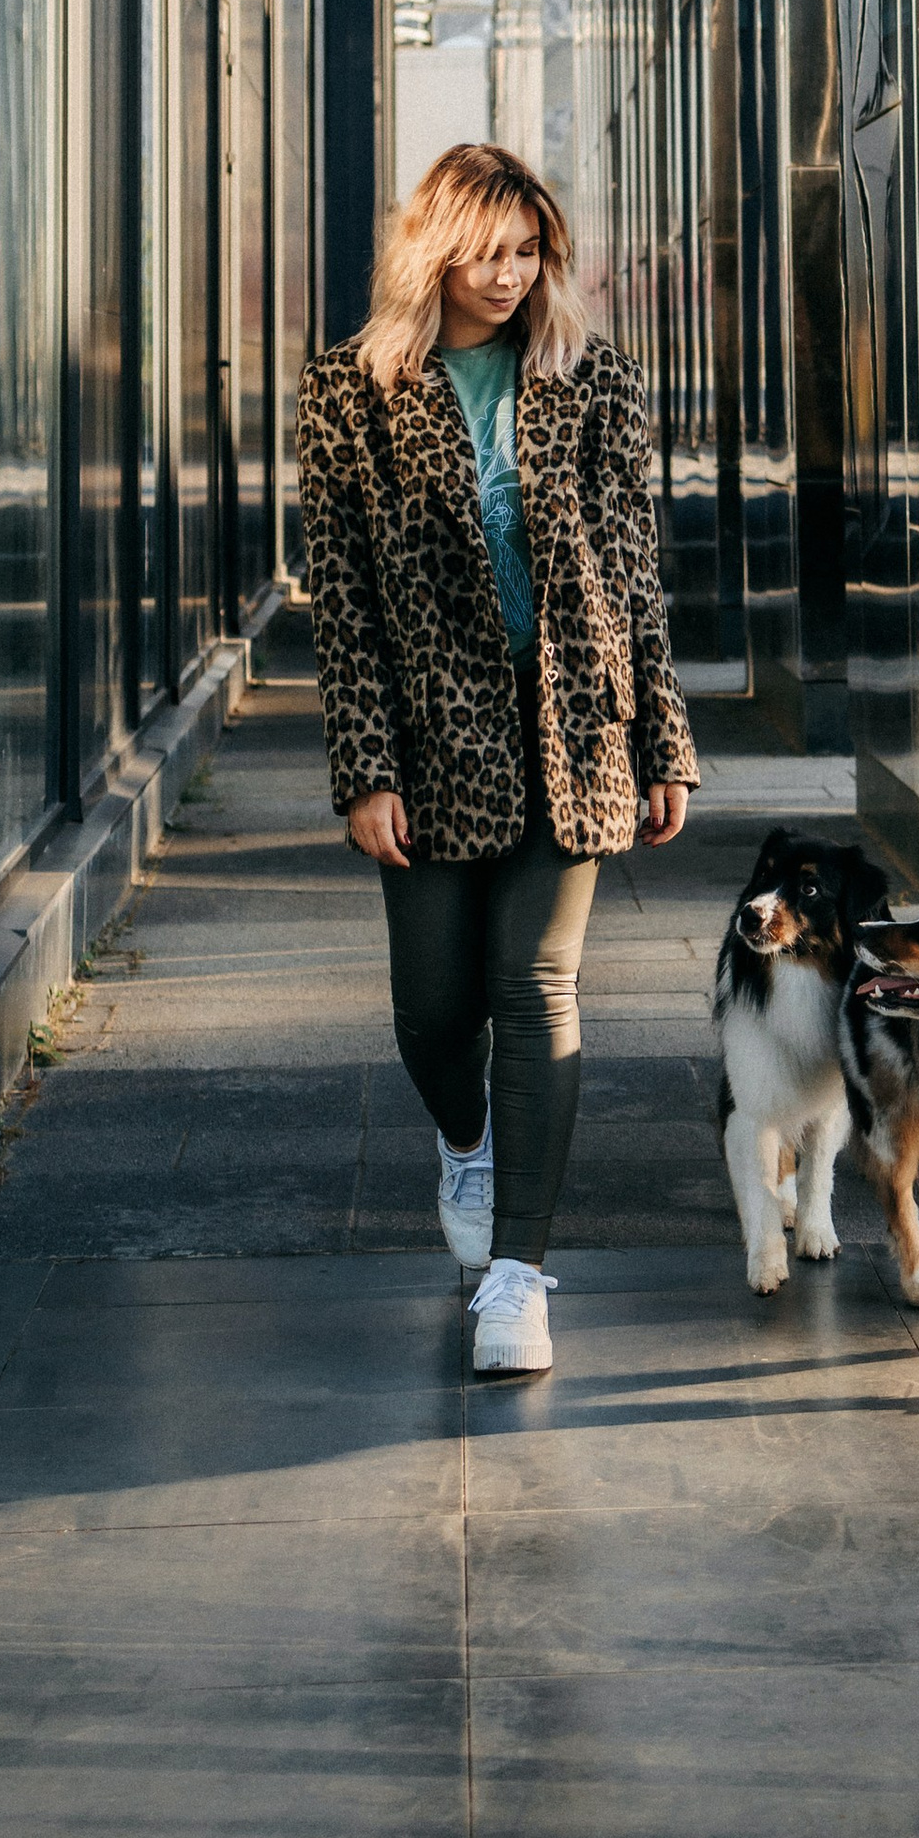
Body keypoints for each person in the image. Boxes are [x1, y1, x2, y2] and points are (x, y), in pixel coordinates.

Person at [294, 142, 699, 1371]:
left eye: (529, 253)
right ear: (435, 249)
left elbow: (634, 573)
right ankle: (467, 1140)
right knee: (431, 1015)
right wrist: (365, 771)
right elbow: (344, 603)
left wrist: (664, 738)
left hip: (576, 728)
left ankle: (518, 1276)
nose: (511, 275)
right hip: (427, 743)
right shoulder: (347, 393)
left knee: (535, 992)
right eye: (488, 252)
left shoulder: (597, 383)